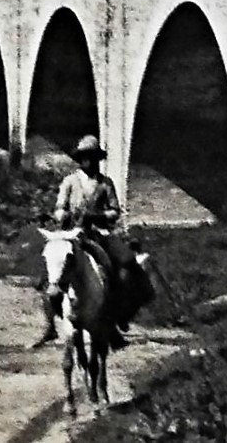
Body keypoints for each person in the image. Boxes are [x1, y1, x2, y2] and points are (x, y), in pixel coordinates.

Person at [35, 136, 152, 347]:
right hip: (72, 232)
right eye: (85, 158)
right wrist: (62, 215)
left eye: (94, 158)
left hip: (98, 232)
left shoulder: (105, 183)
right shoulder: (70, 181)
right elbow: (60, 206)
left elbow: (115, 211)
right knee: (51, 268)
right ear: (79, 160)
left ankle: (115, 317)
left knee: (123, 264)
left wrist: (98, 216)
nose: (89, 162)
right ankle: (51, 323)